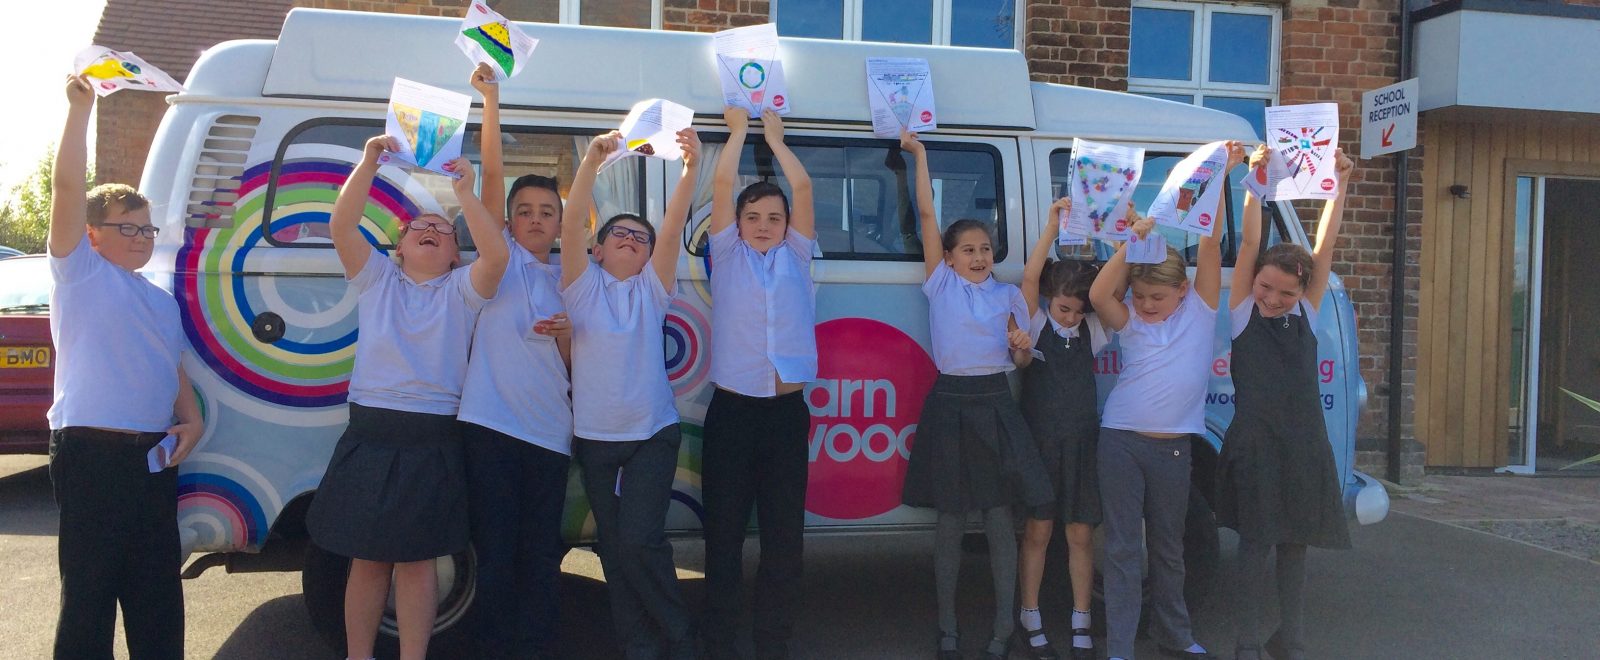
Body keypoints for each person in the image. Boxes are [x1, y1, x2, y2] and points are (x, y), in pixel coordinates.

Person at [303, 134, 508, 660]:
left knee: (419, 562)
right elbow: (340, 225)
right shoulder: (376, 280)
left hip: (432, 437)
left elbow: (497, 252)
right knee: (368, 560)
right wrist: (369, 162)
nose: (433, 232)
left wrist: (464, 193)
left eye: (443, 232)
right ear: (399, 244)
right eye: (421, 226)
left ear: (455, 253)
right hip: (370, 434)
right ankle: (358, 655)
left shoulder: (464, 291)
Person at [45, 72, 201, 660]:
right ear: (92, 235)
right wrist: (80, 113)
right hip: (90, 455)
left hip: (151, 459)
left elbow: (172, 365)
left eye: (147, 227)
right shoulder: (79, 274)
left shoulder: (158, 298)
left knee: (157, 594)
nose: (141, 236)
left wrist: (191, 420)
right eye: (127, 227)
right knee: (88, 596)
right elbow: (64, 189)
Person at [897, 130, 1054, 660]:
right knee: (948, 522)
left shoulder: (1008, 295)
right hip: (949, 402)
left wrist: (1020, 348)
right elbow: (924, 215)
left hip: (995, 402)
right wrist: (919, 157)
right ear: (949, 256)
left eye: (986, 248)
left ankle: (1002, 631)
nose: (980, 255)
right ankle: (946, 628)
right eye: (968, 249)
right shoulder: (939, 282)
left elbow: (1023, 361)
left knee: (996, 519)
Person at [1089, 141, 1246, 660]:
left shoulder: (1201, 312)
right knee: (1121, 549)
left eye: (1159, 296)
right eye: (1141, 296)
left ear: (1183, 292)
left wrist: (1221, 174)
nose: (1148, 305)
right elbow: (1097, 297)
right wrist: (1131, 245)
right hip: (1122, 442)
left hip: (1176, 447)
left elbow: (1207, 244)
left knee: (1170, 549)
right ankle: (1119, 647)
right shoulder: (1128, 320)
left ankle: (1176, 637)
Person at [560, 127, 701, 660]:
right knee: (615, 553)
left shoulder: (651, 289)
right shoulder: (580, 285)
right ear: (597, 249)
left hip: (651, 435)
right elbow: (572, 223)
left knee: (641, 541)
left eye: (638, 238)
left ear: (647, 258)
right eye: (617, 232)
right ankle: (637, 646)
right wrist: (591, 166)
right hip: (595, 440)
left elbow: (671, 231)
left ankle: (680, 636)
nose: (630, 238)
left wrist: (690, 171)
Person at [456, 62, 574, 660]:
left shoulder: (569, 278)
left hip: (551, 432)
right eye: (524, 210)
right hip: (492, 426)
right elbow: (492, 172)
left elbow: (581, 367)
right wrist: (491, 100)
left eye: (547, 212)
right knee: (495, 549)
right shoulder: (496, 258)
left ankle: (533, 646)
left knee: (541, 550)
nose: (535, 219)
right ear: (508, 220)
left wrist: (564, 336)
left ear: (561, 223)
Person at [1218, 146, 1355, 660]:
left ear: (1303, 293)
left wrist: (1339, 184)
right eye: (1265, 287)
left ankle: (1291, 640)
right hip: (1256, 444)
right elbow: (1251, 239)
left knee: (1295, 544)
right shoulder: (1241, 312)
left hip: (1303, 444)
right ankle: (1247, 642)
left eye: (1285, 293)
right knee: (1255, 545)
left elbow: (1325, 244)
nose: (1272, 298)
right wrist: (1254, 182)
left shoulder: (1308, 315)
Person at [701, 106, 818, 660]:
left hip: (786, 417)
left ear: (788, 225)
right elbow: (723, 182)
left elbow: (802, 183)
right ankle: (719, 641)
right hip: (733, 415)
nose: (764, 225)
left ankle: (774, 641)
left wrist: (775, 138)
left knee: (782, 540)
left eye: (775, 217)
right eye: (754, 217)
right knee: (723, 536)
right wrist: (740, 133)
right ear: (737, 224)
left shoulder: (799, 256)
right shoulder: (725, 256)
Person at [1015, 198, 1112, 660]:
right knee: (1038, 532)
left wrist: (1125, 229)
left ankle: (1081, 619)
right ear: (1049, 302)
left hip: (1082, 448)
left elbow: (1113, 291)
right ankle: (1029, 615)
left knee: (1080, 535)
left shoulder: (1094, 330)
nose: (1068, 316)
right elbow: (1031, 278)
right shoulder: (1035, 327)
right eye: (1062, 307)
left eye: (1077, 310)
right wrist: (1052, 226)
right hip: (1040, 449)